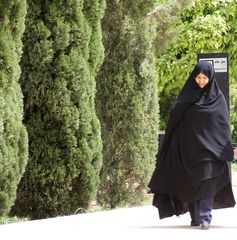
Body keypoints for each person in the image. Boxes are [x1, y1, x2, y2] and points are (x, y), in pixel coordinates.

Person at [148, 61, 236, 230]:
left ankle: (205, 218)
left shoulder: (218, 100)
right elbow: (175, 122)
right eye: (198, 77)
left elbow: (223, 126)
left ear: (210, 78)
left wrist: (224, 148)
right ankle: (195, 217)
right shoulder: (186, 98)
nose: (201, 81)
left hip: (210, 153)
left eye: (205, 77)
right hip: (189, 152)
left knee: (207, 182)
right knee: (193, 183)